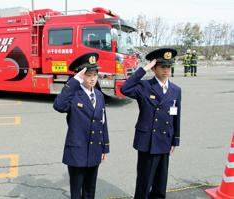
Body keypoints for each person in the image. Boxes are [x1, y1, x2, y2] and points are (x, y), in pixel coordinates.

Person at [120, 48, 182, 199]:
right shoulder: (144, 86)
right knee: (144, 181)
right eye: (162, 67)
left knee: (161, 182)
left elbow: (176, 115)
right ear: (154, 68)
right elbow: (125, 88)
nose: (166, 70)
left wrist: (175, 139)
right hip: (148, 141)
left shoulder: (176, 89)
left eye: (168, 67)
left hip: (165, 140)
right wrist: (143, 70)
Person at [53, 52, 110, 199]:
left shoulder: (99, 95)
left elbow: (103, 122)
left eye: (94, 74)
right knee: (76, 192)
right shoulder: (73, 94)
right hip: (77, 150)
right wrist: (73, 81)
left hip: (95, 148)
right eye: (88, 74)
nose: (92, 78)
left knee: (90, 190)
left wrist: (105, 146)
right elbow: (58, 106)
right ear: (81, 75)